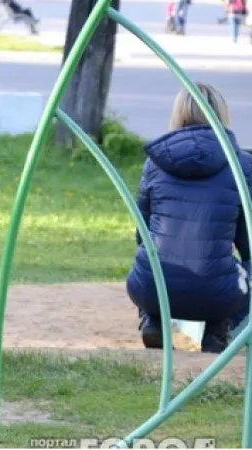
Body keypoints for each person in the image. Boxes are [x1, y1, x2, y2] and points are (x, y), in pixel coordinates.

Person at [125, 82, 252, 354]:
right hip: (217, 294)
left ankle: (153, 319)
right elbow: (247, 241)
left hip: (152, 288)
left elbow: (142, 233)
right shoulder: (242, 165)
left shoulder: (155, 162)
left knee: (152, 256)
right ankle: (218, 327)